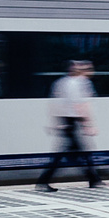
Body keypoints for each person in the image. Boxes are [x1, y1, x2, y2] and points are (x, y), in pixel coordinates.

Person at [35, 60, 102, 191]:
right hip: (73, 122)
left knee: (77, 152)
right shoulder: (82, 82)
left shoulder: (61, 82)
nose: (90, 71)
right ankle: (43, 181)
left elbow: (54, 104)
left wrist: (55, 122)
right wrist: (88, 124)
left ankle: (94, 179)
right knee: (69, 154)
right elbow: (81, 105)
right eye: (88, 69)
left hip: (66, 121)